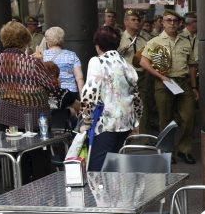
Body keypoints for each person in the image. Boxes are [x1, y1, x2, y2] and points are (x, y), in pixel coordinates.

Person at [0, 21, 60, 182]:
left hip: (7, 116)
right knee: (38, 158)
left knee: (17, 158)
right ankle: (41, 196)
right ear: (25, 39)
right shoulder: (33, 63)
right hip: (35, 117)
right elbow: (53, 86)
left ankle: (19, 193)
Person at [140, 9, 198, 164]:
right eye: (168, 20)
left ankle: (184, 149)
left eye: (174, 21)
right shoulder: (155, 42)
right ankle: (166, 152)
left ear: (179, 23)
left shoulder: (185, 41)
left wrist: (194, 87)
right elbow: (143, 62)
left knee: (189, 117)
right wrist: (160, 76)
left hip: (183, 82)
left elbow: (192, 66)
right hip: (163, 82)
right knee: (165, 119)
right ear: (163, 23)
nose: (172, 23)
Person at [81, 26, 142, 171]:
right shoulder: (125, 63)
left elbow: (89, 92)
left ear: (98, 45)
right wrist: (136, 120)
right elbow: (136, 95)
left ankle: (99, 193)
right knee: (115, 166)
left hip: (106, 123)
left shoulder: (97, 61)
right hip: (126, 122)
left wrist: (86, 119)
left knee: (97, 168)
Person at [118, 10, 156, 135]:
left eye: (138, 20)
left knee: (142, 105)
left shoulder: (144, 38)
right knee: (126, 105)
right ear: (126, 22)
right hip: (125, 77)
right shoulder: (119, 38)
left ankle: (142, 135)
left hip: (142, 75)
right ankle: (126, 134)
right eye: (133, 19)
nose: (136, 22)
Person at [42, 26, 84, 111]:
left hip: (51, 94)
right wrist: (83, 99)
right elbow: (80, 78)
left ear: (47, 41)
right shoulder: (72, 55)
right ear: (62, 40)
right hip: (71, 94)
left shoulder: (42, 56)